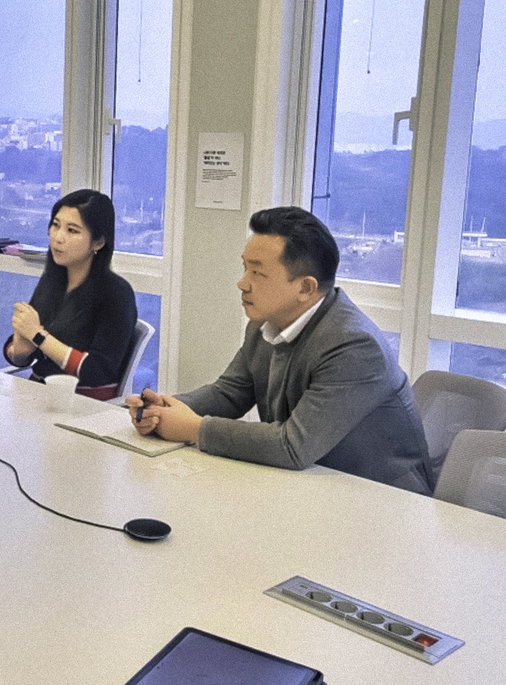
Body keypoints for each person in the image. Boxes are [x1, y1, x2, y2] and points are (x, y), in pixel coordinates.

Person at [126, 206, 434, 494]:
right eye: (245, 268)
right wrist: (162, 409)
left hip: (381, 499)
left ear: (305, 288)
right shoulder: (265, 323)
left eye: (257, 273)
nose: (242, 283)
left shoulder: (354, 346)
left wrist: (194, 428)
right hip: (311, 484)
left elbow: (293, 446)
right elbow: (228, 394)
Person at [4, 189, 137, 400]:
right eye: (55, 225)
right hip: (39, 394)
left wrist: (37, 335)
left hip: (84, 404)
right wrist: (20, 348)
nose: (58, 238)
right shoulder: (52, 281)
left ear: (98, 242)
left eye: (72, 230)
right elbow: (24, 357)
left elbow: (97, 372)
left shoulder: (116, 293)